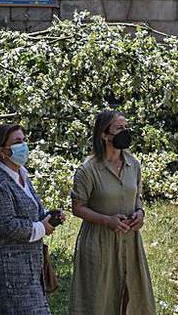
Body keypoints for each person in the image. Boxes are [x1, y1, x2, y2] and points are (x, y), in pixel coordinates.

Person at [69, 110, 156, 314]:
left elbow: (136, 197)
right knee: (98, 299)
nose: (125, 132)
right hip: (99, 242)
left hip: (130, 241)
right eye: (119, 128)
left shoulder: (133, 164)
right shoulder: (88, 170)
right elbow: (77, 207)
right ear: (104, 135)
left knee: (133, 297)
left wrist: (140, 213)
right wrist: (107, 220)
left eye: (126, 128)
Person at [0, 123, 61, 315]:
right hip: (7, 276)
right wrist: (41, 227)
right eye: (17, 142)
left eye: (23, 140)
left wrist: (50, 217)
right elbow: (6, 225)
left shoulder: (22, 175)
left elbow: (32, 212)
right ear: (1, 151)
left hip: (30, 271)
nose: (23, 146)